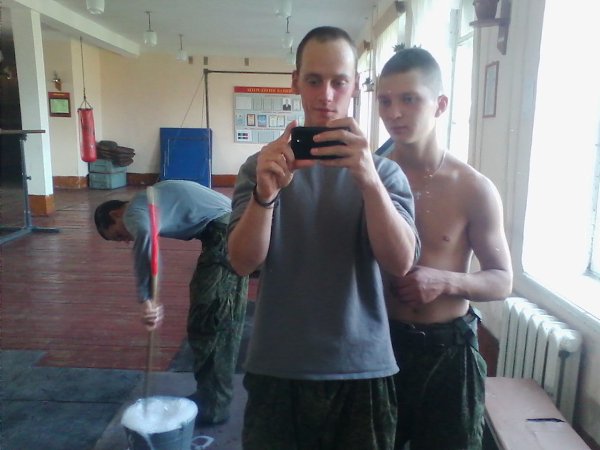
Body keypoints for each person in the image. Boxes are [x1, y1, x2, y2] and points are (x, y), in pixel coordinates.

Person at [227, 26, 419, 450]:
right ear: (295, 81)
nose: (326, 95)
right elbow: (242, 262)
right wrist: (265, 195)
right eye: (314, 80)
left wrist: (369, 181)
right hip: (279, 364)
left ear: (355, 86)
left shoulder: (385, 174)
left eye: (339, 82)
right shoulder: (261, 168)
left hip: (363, 366)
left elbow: (400, 262)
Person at [376, 48, 513, 449]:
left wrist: (445, 281)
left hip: (448, 351)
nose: (394, 113)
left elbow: (502, 280)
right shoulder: (369, 178)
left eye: (409, 99)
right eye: (385, 100)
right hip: (379, 345)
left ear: (439, 105)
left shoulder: (472, 187)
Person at [94, 179, 248, 426]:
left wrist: (146, 298)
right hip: (234, 227)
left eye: (119, 235)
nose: (126, 240)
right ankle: (211, 397)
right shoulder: (151, 197)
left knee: (210, 320)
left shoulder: (133, 210)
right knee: (219, 316)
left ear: (115, 213)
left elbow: (146, 239)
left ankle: (213, 406)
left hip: (224, 234)